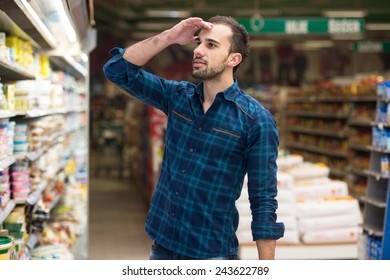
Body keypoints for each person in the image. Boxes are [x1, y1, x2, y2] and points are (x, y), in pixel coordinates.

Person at [103, 16, 284, 260]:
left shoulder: (255, 120)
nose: (197, 50)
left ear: (234, 59)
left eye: (211, 45)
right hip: (163, 247)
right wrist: (168, 37)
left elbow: (263, 200)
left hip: (210, 253)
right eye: (198, 43)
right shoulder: (178, 97)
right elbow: (117, 70)